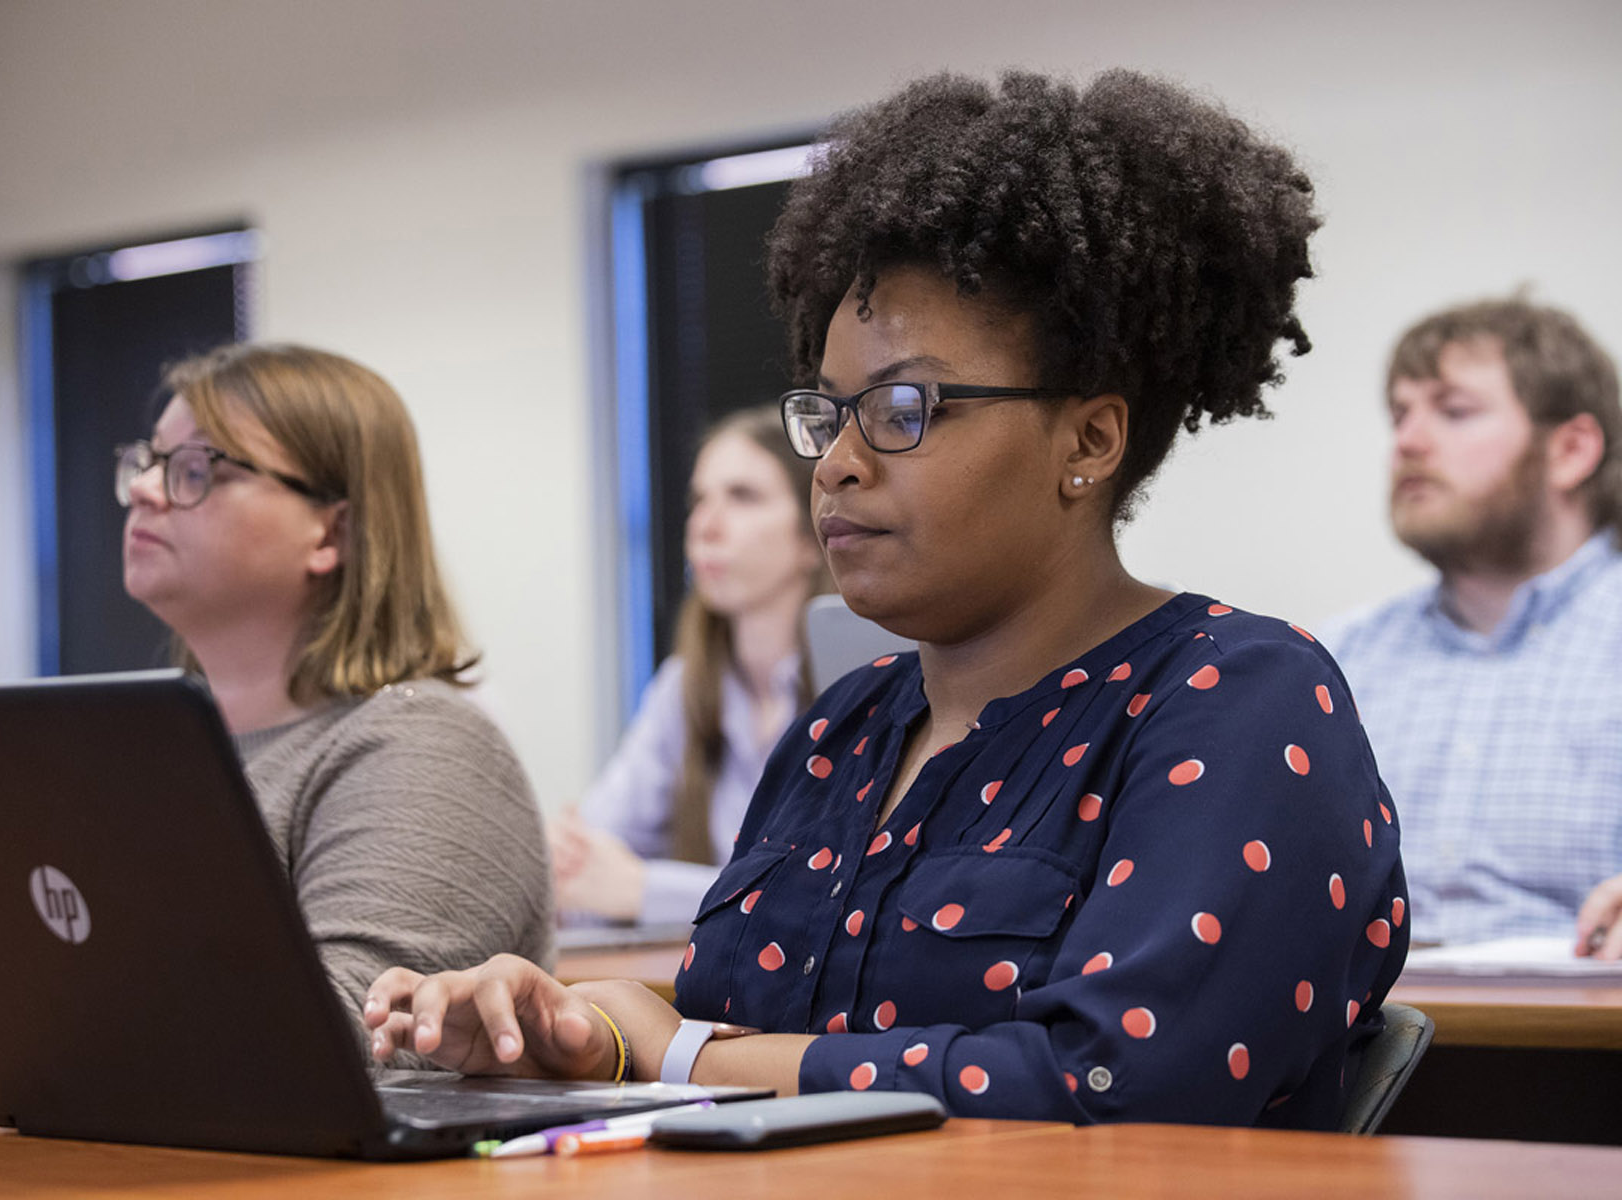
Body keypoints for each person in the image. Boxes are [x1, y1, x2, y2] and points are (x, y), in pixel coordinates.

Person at [364, 69, 1407, 1130]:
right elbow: (754, 1034)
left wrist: (672, 1049)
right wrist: (585, 1034)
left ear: (1089, 440)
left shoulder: (1238, 699)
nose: (837, 465)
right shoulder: (843, 726)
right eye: (831, 411)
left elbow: (1109, 1085)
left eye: (906, 407)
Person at [0, 342, 553, 1095]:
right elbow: (64, 970)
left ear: (330, 533)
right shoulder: (138, 749)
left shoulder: (425, 745)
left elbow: (352, 1032)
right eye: (149, 460)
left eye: (198, 470)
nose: (143, 489)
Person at [1323, 299, 1622, 954]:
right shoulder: (1334, 661)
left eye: (1453, 411)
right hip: (1365, 1047)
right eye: (1400, 414)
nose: (1407, 441)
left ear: (1571, 450)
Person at [552, 408, 826, 925]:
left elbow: (827, 897)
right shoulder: (685, 685)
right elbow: (591, 856)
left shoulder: (861, 680)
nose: (705, 525)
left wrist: (644, 889)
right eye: (699, 500)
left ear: (813, 535)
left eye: (743, 497)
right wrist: (565, 856)